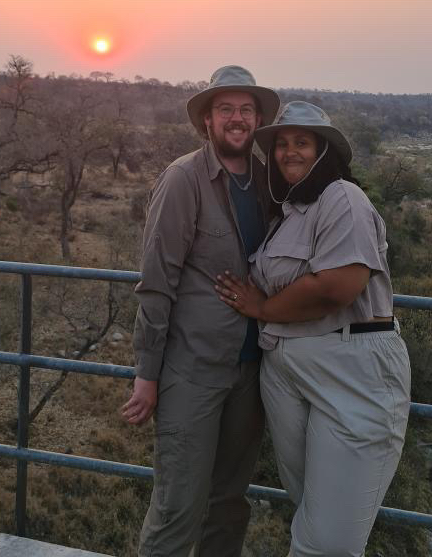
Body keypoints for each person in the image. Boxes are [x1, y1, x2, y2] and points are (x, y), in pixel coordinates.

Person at [216, 101, 411, 557]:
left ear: (325, 151)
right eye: (281, 144)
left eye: (302, 142)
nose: (289, 152)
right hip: (288, 372)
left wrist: (263, 309)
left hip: (349, 372)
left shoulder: (344, 198)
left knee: (328, 542)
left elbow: (337, 287)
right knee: (312, 515)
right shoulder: (288, 212)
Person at [122, 65, 280, 557]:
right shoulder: (183, 179)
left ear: (257, 120)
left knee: (229, 504)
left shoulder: (268, 185)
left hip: (253, 371)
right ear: (207, 121)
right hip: (192, 371)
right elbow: (156, 283)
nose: (237, 118)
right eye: (226, 109)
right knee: (178, 508)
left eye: (246, 110)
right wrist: (147, 374)